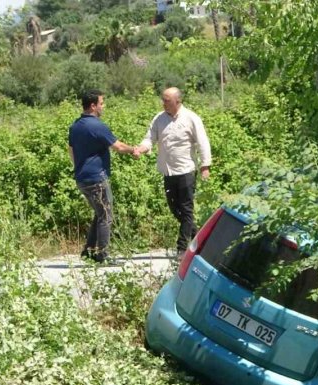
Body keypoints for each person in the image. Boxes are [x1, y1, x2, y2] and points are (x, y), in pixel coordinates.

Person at [134, 87, 212, 259]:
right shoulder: (159, 119)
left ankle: (182, 249)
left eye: (167, 101)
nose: (163, 103)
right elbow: (150, 138)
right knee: (175, 209)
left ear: (177, 101)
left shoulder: (191, 118)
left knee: (186, 209)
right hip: (168, 172)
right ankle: (200, 240)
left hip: (186, 171)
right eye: (163, 100)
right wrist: (142, 148)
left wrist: (205, 165)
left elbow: (202, 142)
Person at [68, 90, 137, 263]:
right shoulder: (97, 125)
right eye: (101, 103)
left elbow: (71, 151)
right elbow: (119, 147)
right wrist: (134, 150)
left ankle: (89, 252)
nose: (103, 106)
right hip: (96, 179)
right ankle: (102, 255)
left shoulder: (75, 126)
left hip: (82, 178)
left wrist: (79, 168)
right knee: (106, 216)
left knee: (99, 213)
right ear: (93, 106)